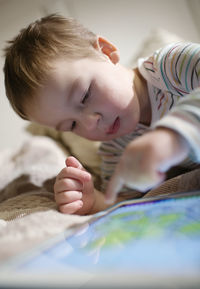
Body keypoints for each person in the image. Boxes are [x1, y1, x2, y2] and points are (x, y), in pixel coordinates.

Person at [4, 14, 200, 215]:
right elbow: (125, 200)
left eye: (85, 96)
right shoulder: (115, 148)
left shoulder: (170, 67)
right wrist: (92, 200)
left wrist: (172, 136)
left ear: (106, 52)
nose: (90, 124)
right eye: (72, 125)